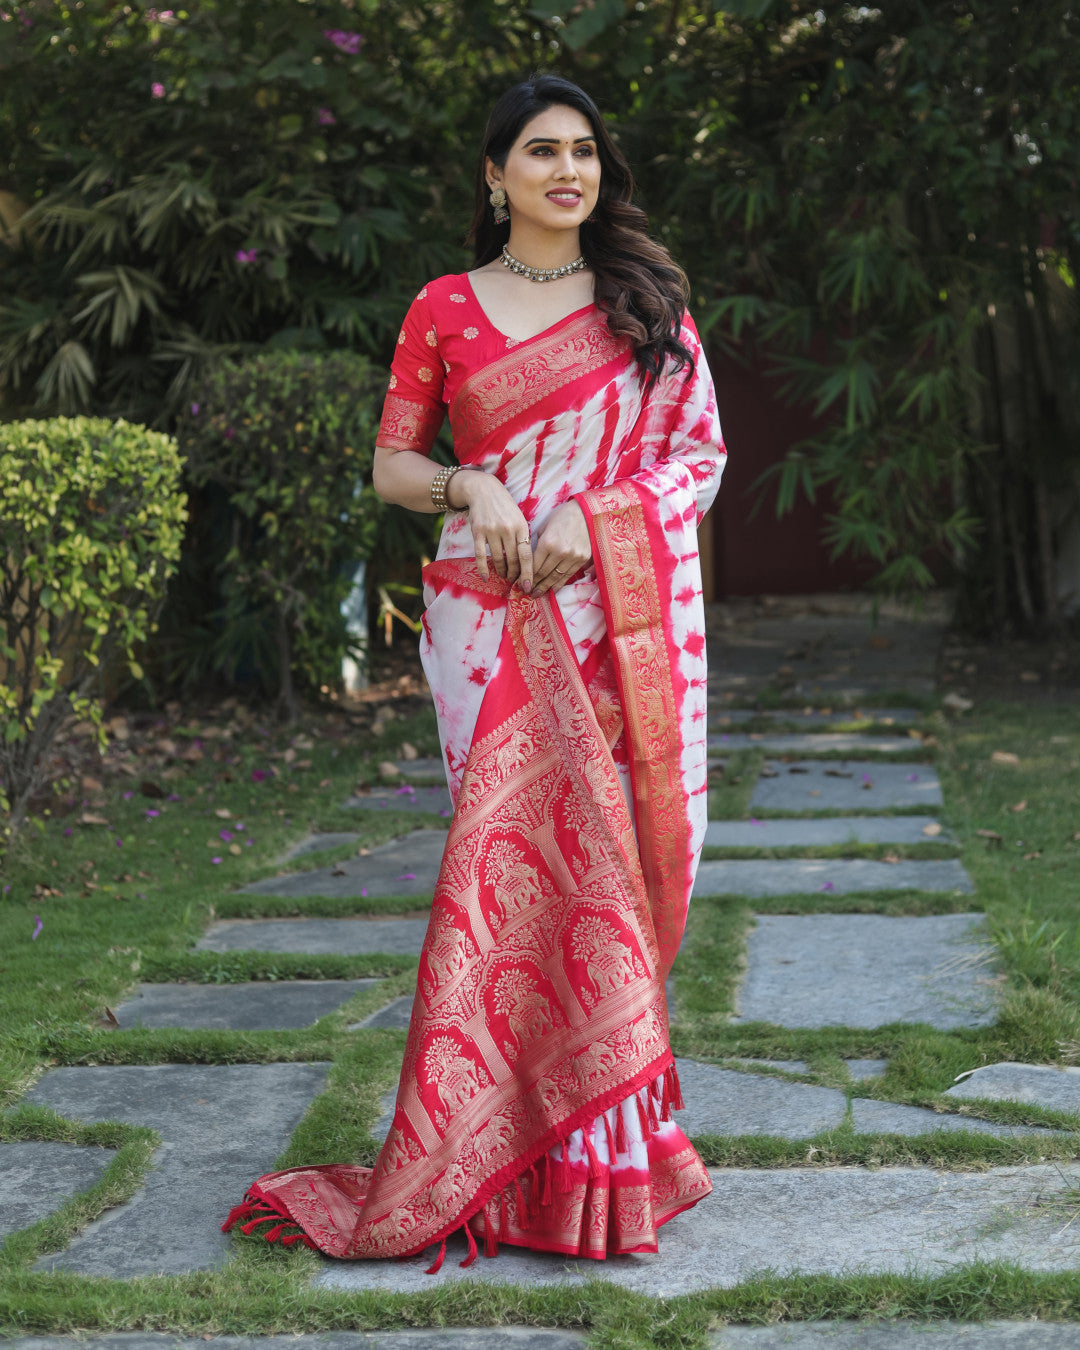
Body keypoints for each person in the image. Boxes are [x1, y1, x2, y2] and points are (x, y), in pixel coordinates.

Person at [224, 73, 727, 1271]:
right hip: (484, 623)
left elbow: (698, 457)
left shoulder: (646, 305)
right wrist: (475, 482)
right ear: (493, 175)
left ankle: (606, 1165)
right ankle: (501, 1154)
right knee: (512, 884)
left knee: (604, 877)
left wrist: (594, 516)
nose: (570, 171)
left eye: (587, 152)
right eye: (542, 151)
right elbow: (396, 465)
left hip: (614, 620)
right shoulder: (444, 307)